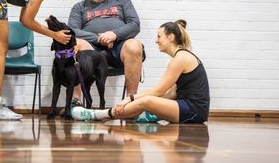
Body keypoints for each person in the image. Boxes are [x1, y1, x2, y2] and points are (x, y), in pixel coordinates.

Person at [72, 20, 210, 123]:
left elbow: (158, 92)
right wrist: (149, 106)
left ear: (171, 37)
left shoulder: (180, 58)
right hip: (187, 107)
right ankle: (143, 114)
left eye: (159, 36)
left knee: (147, 100)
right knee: (146, 103)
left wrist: (129, 99)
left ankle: (96, 115)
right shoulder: (181, 57)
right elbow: (171, 93)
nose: (156, 41)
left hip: (194, 111)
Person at [68, 0, 144, 106]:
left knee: (134, 45)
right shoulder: (79, 7)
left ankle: (131, 102)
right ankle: (76, 100)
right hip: (92, 50)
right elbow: (72, 30)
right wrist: (99, 39)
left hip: (119, 49)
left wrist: (114, 35)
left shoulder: (123, 2)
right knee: (74, 44)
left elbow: (135, 25)